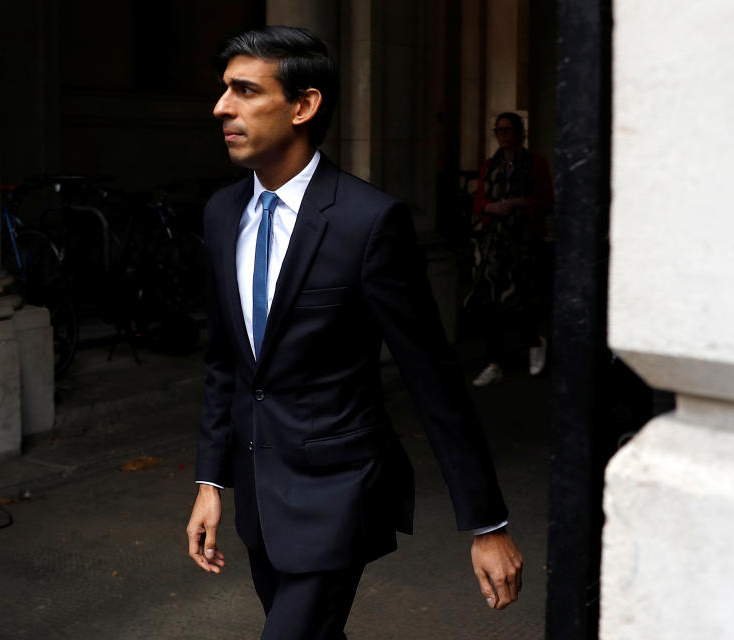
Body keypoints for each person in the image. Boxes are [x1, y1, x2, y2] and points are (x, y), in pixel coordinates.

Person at [184, 26, 523, 639]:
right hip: (260, 502)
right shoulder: (220, 212)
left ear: (304, 106)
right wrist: (212, 481)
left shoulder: (370, 221)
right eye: (222, 90)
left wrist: (487, 523)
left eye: (243, 90)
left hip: (338, 494)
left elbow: (432, 376)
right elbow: (226, 364)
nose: (221, 107)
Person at [465, 112, 554, 387]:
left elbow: (545, 200)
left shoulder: (534, 163)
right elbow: (479, 200)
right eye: (499, 131)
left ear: (519, 133)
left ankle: (534, 342)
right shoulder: (490, 165)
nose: (503, 136)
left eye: (508, 130)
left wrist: (518, 203)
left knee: (521, 298)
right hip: (494, 242)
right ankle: (495, 362)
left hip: (523, 241)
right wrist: (490, 207)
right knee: (490, 301)